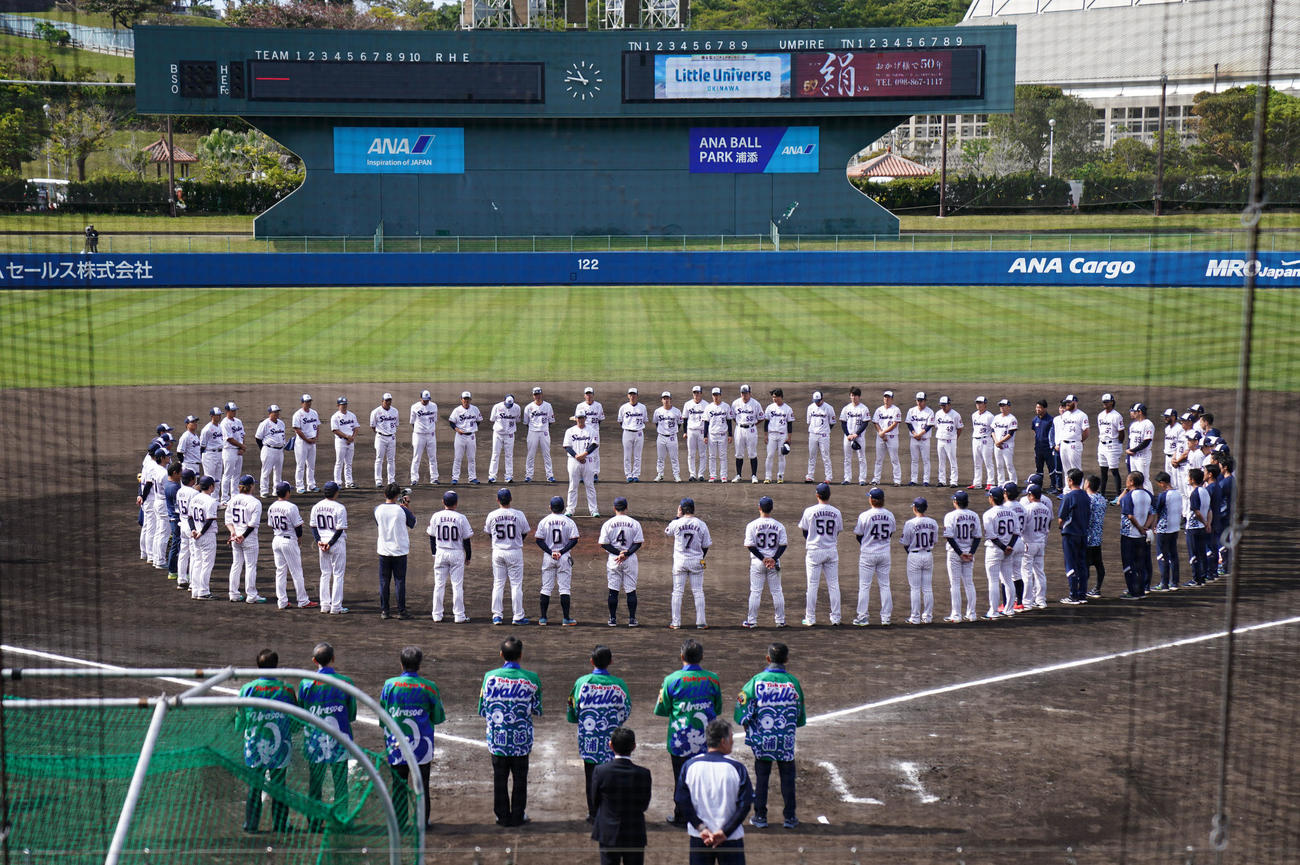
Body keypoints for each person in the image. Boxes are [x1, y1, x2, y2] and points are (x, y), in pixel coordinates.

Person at [734, 643, 805, 830]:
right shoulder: (793, 682)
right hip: (785, 742)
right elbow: (799, 716)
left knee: (762, 778)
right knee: (788, 778)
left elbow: (741, 705)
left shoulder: (757, 681)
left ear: (768, 659)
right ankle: (790, 817)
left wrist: (748, 724)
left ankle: (760, 817)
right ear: (787, 660)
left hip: (763, 741)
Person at [654, 639, 722, 827]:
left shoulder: (672, 680)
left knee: (681, 778)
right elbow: (717, 707)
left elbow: (662, 709)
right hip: (707, 740)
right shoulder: (712, 679)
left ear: (682, 657)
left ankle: (681, 815)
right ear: (701, 657)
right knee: (705, 777)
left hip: (680, 740)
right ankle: (705, 814)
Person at [479, 636, 543, 828]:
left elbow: (483, 709)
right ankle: (518, 814)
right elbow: (537, 709)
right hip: (521, 740)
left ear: (501, 655)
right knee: (520, 779)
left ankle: (501, 815)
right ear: (520, 656)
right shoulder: (531, 679)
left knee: (500, 778)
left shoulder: (489, 677)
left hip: (498, 740)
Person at [380, 646, 445, 831]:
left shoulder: (389, 685)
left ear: (401, 663)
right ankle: (422, 822)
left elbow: (382, 715)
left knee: (398, 784)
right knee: (422, 784)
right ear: (419, 664)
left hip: (396, 744)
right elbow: (438, 716)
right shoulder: (429, 687)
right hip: (422, 746)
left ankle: (399, 823)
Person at [674, 719, 753, 865]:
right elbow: (745, 804)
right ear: (723, 741)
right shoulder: (737, 768)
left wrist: (701, 827)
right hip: (731, 839)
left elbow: (681, 800)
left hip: (700, 838)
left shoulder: (690, 766)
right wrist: (725, 832)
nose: (733, 741)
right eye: (731, 737)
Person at [568, 645, 632, 822]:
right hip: (613, 739)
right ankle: (611, 810)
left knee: (592, 776)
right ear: (610, 662)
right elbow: (626, 710)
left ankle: (594, 812)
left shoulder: (582, 682)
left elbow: (573, 710)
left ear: (591, 661)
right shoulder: (619, 684)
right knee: (613, 775)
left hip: (589, 739)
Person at [236, 648, 296, 834]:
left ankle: (251, 824)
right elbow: (296, 719)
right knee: (279, 786)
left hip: (254, 745)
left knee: (254, 785)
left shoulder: (248, 689)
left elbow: (240, 718)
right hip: (280, 747)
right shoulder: (286, 689)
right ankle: (280, 824)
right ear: (276, 665)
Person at [299, 642, 356, 831]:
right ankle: (341, 820)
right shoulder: (346, 682)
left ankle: (314, 823)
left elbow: (301, 710)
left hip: (314, 740)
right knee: (341, 782)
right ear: (333, 659)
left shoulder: (306, 683)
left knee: (315, 783)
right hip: (340, 739)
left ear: (314, 661)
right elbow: (352, 714)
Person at [589, 727, 652, 865]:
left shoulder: (601, 771)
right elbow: (644, 804)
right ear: (634, 747)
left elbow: (594, 801)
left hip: (608, 832)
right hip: (634, 832)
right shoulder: (643, 773)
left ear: (610, 745)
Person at [484, 487, 532, 625]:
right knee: (516, 585)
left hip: (498, 551)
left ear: (498, 500)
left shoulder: (492, 515)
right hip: (514, 551)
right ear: (511, 499)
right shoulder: (519, 514)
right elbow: (525, 532)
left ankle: (497, 616)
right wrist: (516, 541)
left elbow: (489, 532)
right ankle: (517, 616)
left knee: (498, 583)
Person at [798, 482, 843, 627]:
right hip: (831, 550)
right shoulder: (836, 512)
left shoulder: (809, 511)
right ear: (829, 495)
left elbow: (805, 530)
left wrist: (813, 538)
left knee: (812, 585)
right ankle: (836, 618)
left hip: (814, 550)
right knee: (834, 585)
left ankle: (810, 618)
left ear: (817, 495)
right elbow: (837, 531)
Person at [665, 497, 712, 629]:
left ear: (681, 509)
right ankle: (701, 622)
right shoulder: (701, 524)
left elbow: (667, 532)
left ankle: (675, 623)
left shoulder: (677, 523)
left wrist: (677, 516)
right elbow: (706, 545)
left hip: (680, 561)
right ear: (693, 508)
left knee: (677, 592)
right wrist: (701, 557)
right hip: (696, 560)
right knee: (698, 591)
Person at [267, 482, 315, 609]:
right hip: (288, 541)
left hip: (276, 539)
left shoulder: (272, 506)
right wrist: (299, 539)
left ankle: (282, 602)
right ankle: (303, 600)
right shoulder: (291, 507)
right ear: (287, 492)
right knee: (296, 572)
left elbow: (271, 524)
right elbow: (298, 527)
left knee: (280, 572)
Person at [742, 496, 788, 629]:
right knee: (777, 591)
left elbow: (750, 546)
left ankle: (751, 621)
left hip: (757, 562)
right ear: (771, 508)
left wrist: (763, 559)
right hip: (774, 562)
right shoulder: (779, 525)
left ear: (759, 508)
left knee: (756, 591)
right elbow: (783, 545)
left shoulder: (751, 525)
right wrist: (773, 559)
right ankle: (780, 621)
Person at [428, 489, 473, 623]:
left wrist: (434, 553)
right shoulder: (461, 518)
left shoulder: (436, 516)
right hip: (456, 553)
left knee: (439, 585)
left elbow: (431, 537)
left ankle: (437, 615)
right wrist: (468, 556)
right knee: (457, 585)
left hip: (441, 551)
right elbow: (466, 540)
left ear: (443, 502)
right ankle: (459, 616)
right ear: (456, 503)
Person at [853, 487, 895, 626]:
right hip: (884, 553)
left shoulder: (864, 515)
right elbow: (891, 533)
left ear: (871, 499)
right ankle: (886, 617)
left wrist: (866, 543)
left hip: (868, 553)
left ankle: (863, 617)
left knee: (864, 586)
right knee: (885, 585)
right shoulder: (890, 515)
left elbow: (859, 534)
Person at [535, 495, 580, 625]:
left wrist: (551, 552)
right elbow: (574, 539)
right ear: (563, 507)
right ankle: (566, 618)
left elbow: (539, 540)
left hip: (548, 557)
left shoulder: (544, 521)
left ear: (550, 507)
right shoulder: (569, 521)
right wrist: (561, 552)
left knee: (546, 588)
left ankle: (543, 618)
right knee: (564, 588)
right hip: (564, 557)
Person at [599, 496, 644, 627]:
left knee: (613, 590)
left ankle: (613, 619)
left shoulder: (608, 523)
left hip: (614, 560)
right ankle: (632, 619)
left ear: (614, 508)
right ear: (626, 508)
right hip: (630, 559)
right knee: (631, 590)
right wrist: (626, 553)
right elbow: (638, 543)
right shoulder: (635, 523)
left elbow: (604, 544)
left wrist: (618, 554)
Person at [375, 482, 415, 620]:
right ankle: (401, 611)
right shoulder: (402, 510)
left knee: (384, 582)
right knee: (399, 582)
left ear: (385, 494)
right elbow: (413, 523)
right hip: (400, 551)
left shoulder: (378, 509)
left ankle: (385, 611)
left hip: (384, 551)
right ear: (398, 495)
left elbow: (378, 522)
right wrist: (406, 506)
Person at [226, 474, 266, 604]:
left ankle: (233, 593)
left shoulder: (233, 500)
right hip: (248, 538)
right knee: (250, 566)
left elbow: (228, 520)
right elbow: (252, 524)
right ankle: (251, 595)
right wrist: (242, 536)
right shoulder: (255, 502)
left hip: (236, 536)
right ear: (251, 487)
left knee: (236, 564)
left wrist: (233, 533)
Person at [941, 489, 980, 622]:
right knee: (969, 583)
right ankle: (972, 614)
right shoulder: (974, 515)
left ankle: (956, 615)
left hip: (955, 553)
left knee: (955, 584)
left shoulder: (950, 516)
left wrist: (960, 553)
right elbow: (978, 537)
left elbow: (949, 537)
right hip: (969, 552)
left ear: (956, 502)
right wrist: (970, 553)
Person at [311, 481, 349, 614]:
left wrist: (319, 541)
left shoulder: (317, 506)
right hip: (336, 543)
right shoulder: (339, 507)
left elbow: (313, 526)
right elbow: (339, 529)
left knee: (325, 573)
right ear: (335, 492)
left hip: (322, 543)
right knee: (338, 574)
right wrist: (330, 543)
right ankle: (336, 607)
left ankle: (325, 605)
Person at [900, 497, 938, 624]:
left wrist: (911, 552)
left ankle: (915, 617)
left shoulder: (910, 523)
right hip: (928, 554)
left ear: (915, 508)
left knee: (915, 588)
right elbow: (935, 540)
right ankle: (928, 617)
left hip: (914, 555)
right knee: (927, 588)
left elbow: (905, 542)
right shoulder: (933, 522)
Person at [981, 485, 1016, 619]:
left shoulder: (988, 514)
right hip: (1008, 549)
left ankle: (994, 611)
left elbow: (991, 536)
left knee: (993, 581)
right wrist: (1009, 547)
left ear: (992, 498)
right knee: (1008, 579)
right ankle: (1010, 609)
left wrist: (1003, 547)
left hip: (994, 550)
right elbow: (1016, 532)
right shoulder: (1012, 512)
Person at [1118, 471, 1154, 599]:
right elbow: (1152, 513)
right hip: (1142, 536)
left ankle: (1132, 591)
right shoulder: (1148, 495)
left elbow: (1130, 515)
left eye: (1127, 480)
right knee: (1140, 564)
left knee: (1128, 564)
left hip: (1129, 535)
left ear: (1132, 482)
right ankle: (1141, 590)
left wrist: (1139, 527)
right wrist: (1145, 527)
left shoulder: (1129, 497)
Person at [1058, 468, 1090, 604]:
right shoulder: (1086, 496)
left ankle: (1073, 595)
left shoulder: (1069, 497)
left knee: (1070, 564)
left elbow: (1061, 518)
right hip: (1083, 534)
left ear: (1070, 481)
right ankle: (1082, 593)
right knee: (1082, 564)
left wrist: (1061, 526)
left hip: (1070, 534)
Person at [187, 475, 219, 600]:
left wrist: (193, 530)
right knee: (206, 564)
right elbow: (210, 520)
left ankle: (195, 590)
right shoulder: (211, 501)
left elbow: (189, 517)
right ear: (211, 487)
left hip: (196, 536)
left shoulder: (195, 498)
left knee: (197, 563)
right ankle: (204, 591)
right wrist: (201, 532)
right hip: (207, 535)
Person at [1021, 484, 1052, 609]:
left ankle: (1027, 602)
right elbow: (1047, 527)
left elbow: (1022, 528)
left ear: (1032, 495)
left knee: (1027, 573)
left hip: (1029, 542)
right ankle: (1041, 600)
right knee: (1040, 572)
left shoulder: (1027, 509)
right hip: (1041, 542)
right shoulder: (1046, 509)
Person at [565, 407, 600, 515]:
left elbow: (594, 445)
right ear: (575, 419)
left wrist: (584, 455)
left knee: (590, 485)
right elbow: (567, 446)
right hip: (573, 461)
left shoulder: (592, 431)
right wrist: (577, 456)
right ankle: (570, 510)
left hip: (588, 460)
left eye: (582, 418)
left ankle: (594, 510)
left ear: (585, 418)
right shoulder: (570, 431)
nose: (580, 420)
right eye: (579, 418)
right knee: (573, 486)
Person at [1151, 471, 1182, 591]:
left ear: (1163, 483)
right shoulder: (1178, 494)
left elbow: (1157, 512)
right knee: (1173, 555)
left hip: (1164, 529)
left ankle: (1164, 583)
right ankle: (1174, 582)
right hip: (1174, 528)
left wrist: (1154, 526)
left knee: (1162, 555)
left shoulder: (1163, 496)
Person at [1002, 481, 1028, 611]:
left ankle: (1006, 603)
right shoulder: (1022, 506)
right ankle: (1020, 602)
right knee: (1017, 573)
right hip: (1020, 541)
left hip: (1008, 543)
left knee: (1005, 575)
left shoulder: (1005, 507)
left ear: (1005, 493)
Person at [1184, 467, 1212, 587]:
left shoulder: (1194, 493)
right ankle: (1203, 576)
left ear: (1193, 480)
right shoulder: (1205, 491)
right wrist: (1208, 523)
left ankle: (1196, 579)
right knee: (1202, 553)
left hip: (1193, 528)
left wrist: (1205, 522)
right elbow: (1210, 510)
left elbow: (1197, 512)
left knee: (1194, 554)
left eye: (1189, 477)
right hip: (1202, 528)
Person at [448, 391, 483, 485]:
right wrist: (456, 429)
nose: (466, 401)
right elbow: (451, 422)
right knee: (458, 458)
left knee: (471, 458)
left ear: (470, 400)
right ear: (461, 399)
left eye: (468, 399)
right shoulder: (457, 410)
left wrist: (471, 429)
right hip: (460, 437)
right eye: (464, 399)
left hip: (471, 436)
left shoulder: (475, 409)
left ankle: (472, 478)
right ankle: (455, 478)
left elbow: (479, 420)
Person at [523, 386, 557, 483]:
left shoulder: (548, 406)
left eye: (539, 394)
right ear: (533, 396)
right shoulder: (528, 407)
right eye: (535, 394)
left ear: (542, 394)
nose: (537, 396)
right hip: (532, 432)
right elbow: (526, 423)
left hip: (544, 432)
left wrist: (543, 428)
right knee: (531, 454)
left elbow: (551, 421)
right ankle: (529, 475)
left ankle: (550, 475)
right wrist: (534, 429)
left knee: (547, 454)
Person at [869, 389, 902, 486]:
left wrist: (884, 432)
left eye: (888, 397)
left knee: (894, 459)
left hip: (892, 437)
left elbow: (895, 423)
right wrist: (880, 433)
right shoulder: (879, 410)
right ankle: (876, 479)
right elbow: (875, 422)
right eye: (885, 397)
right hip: (880, 437)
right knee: (878, 459)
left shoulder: (896, 410)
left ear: (892, 399)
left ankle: (897, 480)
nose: (886, 399)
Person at [731, 385, 764, 483]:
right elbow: (732, 416)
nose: (744, 395)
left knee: (752, 453)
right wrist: (739, 423)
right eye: (742, 393)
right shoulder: (735, 403)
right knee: (739, 453)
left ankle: (754, 475)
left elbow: (761, 418)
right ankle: (738, 475)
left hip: (751, 430)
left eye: (746, 393)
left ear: (750, 393)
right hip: (739, 429)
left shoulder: (756, 404)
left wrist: (752, 424)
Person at [1096, 393, 1125, 498]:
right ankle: (1102, 494)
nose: (1105, 403)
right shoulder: (1100, 415)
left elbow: (1121, 433)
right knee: (1103, 470)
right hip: (1102, 444)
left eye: (1107, 402)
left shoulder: (1117, 416)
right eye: (1104, 402)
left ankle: (1118, 495)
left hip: (1113, 445)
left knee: (1114, 470)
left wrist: (1118, 444)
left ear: (1112, 402)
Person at [174, 468, 199, 591]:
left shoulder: (179, 491)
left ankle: (181, 579)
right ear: (191, 479)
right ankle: (193, 584)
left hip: (182, 524)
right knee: (194, 555)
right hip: (191, 526)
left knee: (183, 553)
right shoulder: (194, 493)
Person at [255, 404, 287, 498]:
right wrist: (264, 449)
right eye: (275, 412)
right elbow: (258, 438)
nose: (277, 414)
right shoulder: (264, 424)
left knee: (278, 472)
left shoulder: (281, 423)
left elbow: (282, 436)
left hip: (280, 450)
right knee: (266, 472)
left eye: (278, 412)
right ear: (270, 413)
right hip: (268, 449)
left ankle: (276, 490)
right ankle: (264, 491)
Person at [931, 396, 963, 489]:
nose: (943, 407)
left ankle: (954, 481)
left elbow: (960, 428)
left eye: (944, 405)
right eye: (941, 405)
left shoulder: (955, 415)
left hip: (950, 441)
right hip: (940, 440)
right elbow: (936, 426)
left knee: (952, 461)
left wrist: (954, 438)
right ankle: (942, 480)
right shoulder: (938, 414)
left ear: (949, 404)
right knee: (941, 461)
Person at [804, 390, 835, 484]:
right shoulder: (810, 407)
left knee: (825, 456)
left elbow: (832, 423)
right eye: (815, 401)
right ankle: (810, 476)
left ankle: (828, 477)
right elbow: (809, 421)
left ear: (822, 399)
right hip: (812, 434)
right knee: (811, 456)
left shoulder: (829, 408)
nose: (817, 403)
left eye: (818, 401)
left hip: (824, 435)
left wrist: (825, 430)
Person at [1083, 475, 1107, 598]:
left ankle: (1083, 589)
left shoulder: (1087, 499)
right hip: (1097, 536)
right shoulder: (1102, 499)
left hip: (1088, 537)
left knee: (1085, 564)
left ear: (1088, 485)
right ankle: (1097, 588)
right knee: (1099, 564)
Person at [409, 390, 440, 486]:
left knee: (433, 457)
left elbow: (434, 420)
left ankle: (434, 478)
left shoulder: (434, 406)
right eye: (424, 399)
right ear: (420, 398)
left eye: (428, 400)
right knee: (416, 457)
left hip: (431, 435)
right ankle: (414, 479)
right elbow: (412, 422)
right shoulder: (414, 407)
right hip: (419, 435)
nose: (426, 401)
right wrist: (419, 431)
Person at [488, 394, 521, 484]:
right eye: (507, 404)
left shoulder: (517, 408)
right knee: (495, 455)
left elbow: (518, 419)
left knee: (509, 455)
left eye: (510, 405)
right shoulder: (497, 407)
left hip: (510, 435)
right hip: (498, 434)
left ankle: (509, 477)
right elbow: (492, 419)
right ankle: (492, 477)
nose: (509, 406)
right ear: (504, 401)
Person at [292, 394, 321, 494]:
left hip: (312, 442)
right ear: (302, 403)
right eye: (306, 402)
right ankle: (299, 486)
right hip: (302, 443)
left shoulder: (314, 413)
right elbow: (297, 429)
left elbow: (317, 426)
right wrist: (307, 439)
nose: (308, 403)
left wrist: (316, 438)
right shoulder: (297, 414)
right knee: (300, 465)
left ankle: (311, 485)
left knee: (311, 465)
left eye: (309, 401)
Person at [705, 387, 735, 483]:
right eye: (714, 395)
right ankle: (713, 475)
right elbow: (706, 422)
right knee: (712, 456)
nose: (716, 397)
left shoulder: (726, 406)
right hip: (712, 435)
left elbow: (729, 421)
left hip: (723, 435)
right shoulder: (708, 407)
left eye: (717, 395)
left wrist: (730, 435)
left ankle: (723, 476)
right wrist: (705, 436)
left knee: (723, 456)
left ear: (720, 395)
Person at [219, 401, 246, 507]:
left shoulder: (238, 421)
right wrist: (242, 446)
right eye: (232, 410)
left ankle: (234, 495)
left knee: (237, 475)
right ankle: (224, 498)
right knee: (227, 474)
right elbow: (229, 439)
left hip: (238, 450)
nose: (234, 412)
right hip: (229, 450)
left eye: (235, 410)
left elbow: (243, 435)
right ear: (227, 411)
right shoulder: (224, 423)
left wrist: (242, 448)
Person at [619, 388, 648, 482]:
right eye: (630, 394)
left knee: (637, 455)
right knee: (627, 456)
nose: (632, 396)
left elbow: (644, 420)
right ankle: (628, 475)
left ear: (637, 395)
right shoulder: (623, 407)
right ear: (628, 396)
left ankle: (636, 475)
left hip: (639, 433)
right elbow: (620, 421)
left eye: (634, 394)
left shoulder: (642, 407)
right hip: (627, 432)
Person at [653, 391, 684, 482]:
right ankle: (660, 474)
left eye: (667, 398)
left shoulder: (676, 411)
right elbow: (656, 423)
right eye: (664, 398)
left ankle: (676, 475)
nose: (666, 400)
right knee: (660, 458)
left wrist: (672, 431)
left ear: (670, 399)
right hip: (661, 437)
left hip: (672, 437)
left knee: (674, 457)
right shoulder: (658, 411)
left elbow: (679, 424)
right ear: (662, 400)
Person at [905, 392, 935, 487]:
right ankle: (913, 480)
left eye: (921, 400)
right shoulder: (911, 411)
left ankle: (926, 480)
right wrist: (915, 434)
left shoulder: (930, 412)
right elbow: (908, 423)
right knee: (914, 460)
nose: (919, 402)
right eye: (918, 400)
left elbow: (929, 425)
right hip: (914, 439)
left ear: (925, 401)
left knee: (926, 460)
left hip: (925, 439)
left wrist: (920, 434)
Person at [370, 392, 399, 487]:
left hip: (392, 437)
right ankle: (378, 480)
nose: (388, 402)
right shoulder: (375, 412)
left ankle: (391, 480)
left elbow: (396, 424)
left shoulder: (395, 411)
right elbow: (373, 426)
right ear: (382, 401)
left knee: (391, 460)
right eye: (386, 400)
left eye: (389, 400)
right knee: (379, 459)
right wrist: (381, 433)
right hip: (380, 437)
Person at [1028, 400, 1057, 493]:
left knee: (1051, 467)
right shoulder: (1035, 420)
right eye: (1037, 407)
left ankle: (1053, 486)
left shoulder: (1050, 420)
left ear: (1045, 408)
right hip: (1038, 448)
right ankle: (1038, 486)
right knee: (1039, 468)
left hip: (1048, 448)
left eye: (1039, 407)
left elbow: (1053, 434)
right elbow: (1034, 430)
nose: (1037, 409)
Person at [579, 387, 607, 481]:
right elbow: (577, 419)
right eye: (587, 394)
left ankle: (595, 473)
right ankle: (583, 474)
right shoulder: (580, 406)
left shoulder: (598, 406)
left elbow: (600, 420)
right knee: (582, 452)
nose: (589, 396)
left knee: (595, 453)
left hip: (594, 433)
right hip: (583, 432)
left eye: (590, 394)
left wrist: (593, 429)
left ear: (593, 395)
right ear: (584, 395)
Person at [1126, 403, 1155, 494]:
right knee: (1134, 479)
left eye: (1134, 412)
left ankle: (1150, 501)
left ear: (1140, 412)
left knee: (1144, 479)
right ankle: (1136, 497)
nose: (1133, 413)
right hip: (1133, 457)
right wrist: (1129, 451)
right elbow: (1130, 440)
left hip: (1142, 456)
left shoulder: (1148, 424)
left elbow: (1146, 441)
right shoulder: (1133, 425)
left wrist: (1133, 450)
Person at [330, 397, 359, 488]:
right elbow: (335, 430)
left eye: (345, 404)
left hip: (350, 442)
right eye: (342, 405)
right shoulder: (335, 417)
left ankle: (349, 482)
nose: (344, 406)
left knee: (349, 463)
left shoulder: (352, 415)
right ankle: (338, 482)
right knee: (339, 462)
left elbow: (356, 427)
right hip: (340, 441)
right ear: (338, 405)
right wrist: (346, 437)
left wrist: (352, 438)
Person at [682, 385, 709, 482]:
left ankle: (701, 474)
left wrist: (706, 434)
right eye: (694, 393)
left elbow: (707, 421)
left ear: (701, 394)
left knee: (702, 454)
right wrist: (685, 432)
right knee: (691, 454)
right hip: (691, 431)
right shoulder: (687, 404)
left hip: (701, 431)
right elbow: (684, 419)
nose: (696, 395)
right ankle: (692, 474)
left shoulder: (706, 405)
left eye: (698, 393)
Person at [967, 396, 994, 491]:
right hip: (975, 439)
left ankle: (991, 483)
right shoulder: (974, 415)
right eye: (977, 403)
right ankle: (977, 483)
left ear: (985, 404)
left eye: (980, 403)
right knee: (977, 462)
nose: (978, 405)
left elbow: (993, 429)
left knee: (988, 462)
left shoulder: (990, 416)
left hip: (986, 440)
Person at [991, 399, 1018, 486]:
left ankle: (1013, 483)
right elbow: (992, 430)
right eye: (1000, 405)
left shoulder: (1012, 419)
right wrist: (996, 442)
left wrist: (1000, 442)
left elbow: (1010, 434)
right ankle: (1000, 483)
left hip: (1007, 446)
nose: (1001, 407)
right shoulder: (996, 417)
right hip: (997, 445)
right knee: (999, 465)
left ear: (1009, 407)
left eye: (1003, 405)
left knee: (1009, 465)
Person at [200, 407, 225, 494]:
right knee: (209, 479)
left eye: (220, 415)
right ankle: (208, 498)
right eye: (217, 415)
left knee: (218, 480)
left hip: (219, 454)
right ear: (212, 416)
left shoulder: (220, 427)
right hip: (209, 455)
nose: (219, 417)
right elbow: (202, 446)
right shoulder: (206, 429)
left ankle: (216, 500)